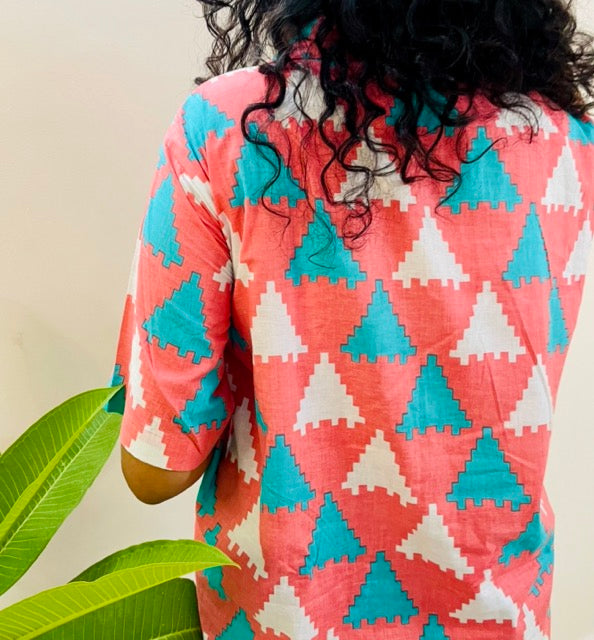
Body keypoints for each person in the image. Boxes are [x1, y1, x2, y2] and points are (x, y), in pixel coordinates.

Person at [109, 1, 594, 637]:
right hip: (501, 613)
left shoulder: (227, 128)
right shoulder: (565, 144)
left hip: (283, 617)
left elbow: (156, 466)